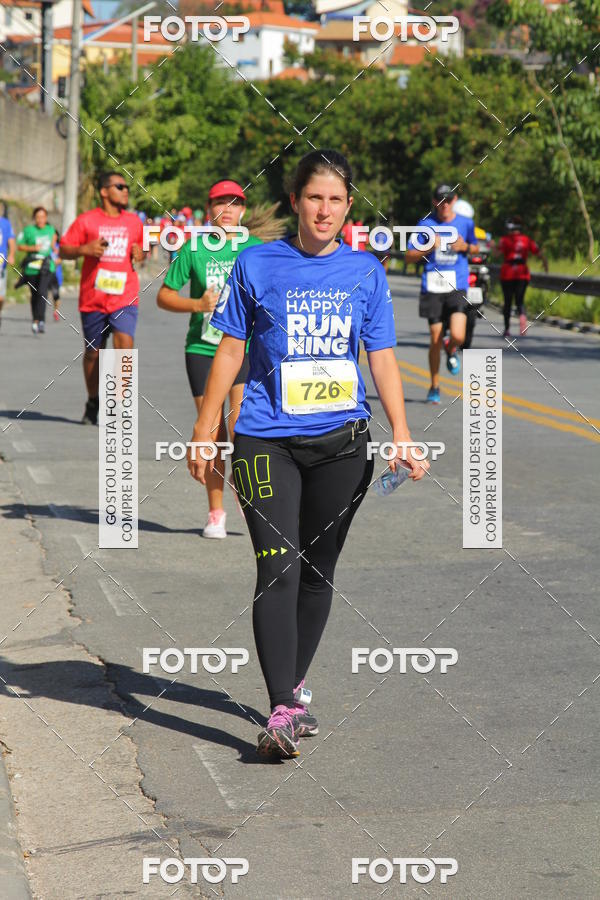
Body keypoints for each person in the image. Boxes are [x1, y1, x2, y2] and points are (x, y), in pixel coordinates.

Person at [187, 149, 428, 759]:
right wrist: (205, 425)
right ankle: (282, 708)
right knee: (278, 566)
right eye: (314, 197)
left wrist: (401, 430)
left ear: (349, 208)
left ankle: (291, 686)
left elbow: (380, 358)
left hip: (342, 445)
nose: (324, 210)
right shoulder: (256, 262)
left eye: (336, 200)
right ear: (295, 201)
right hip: (266, 440)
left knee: (318, 570)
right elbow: (231, 351)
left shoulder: (365, 272)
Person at [157, 180, 262, 539]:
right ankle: (216, 512)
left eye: (235, 204)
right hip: (203, 349)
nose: (228, 210)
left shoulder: (256, 250)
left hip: (245, 350)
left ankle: (248, 495)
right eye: (221, 203)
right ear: (209, 209)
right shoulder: (194, 248)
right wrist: (196, 304)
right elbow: (165, 296)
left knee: (245, 429)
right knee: (213, 433)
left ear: (243, 211)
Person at [60, 172, 144, 425]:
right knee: (93, 353)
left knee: (125, 344)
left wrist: (140, 254)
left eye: (127, 187)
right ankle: (93, 400)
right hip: (93, 298)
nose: (126, 190)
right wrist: (84, 249)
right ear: (105, 191)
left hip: (124, 296)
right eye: (120, 186)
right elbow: (64, 249)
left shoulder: (133, 223)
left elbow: (139, 251)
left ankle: (119, 404)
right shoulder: (86, 221)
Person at [405, 183, 478, 404]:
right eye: (440, 200)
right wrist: (428, 247)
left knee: (459, 335)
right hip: (433, 286)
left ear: (454, 200)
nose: (444, 205)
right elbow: (409, 256)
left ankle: (452, 346)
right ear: (434, 202)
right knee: (435, 338)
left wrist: (464, 246)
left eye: (448, 200)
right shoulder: (425, 225)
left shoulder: (465, 223)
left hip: (457, 285)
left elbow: (476, 248)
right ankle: (435, 386)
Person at [498, 216, 548, 338]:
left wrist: (492, 246)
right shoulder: (527, 240)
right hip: (522, 273)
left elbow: (497, 253)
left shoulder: (504, 240)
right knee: (520, 300)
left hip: (508, 272)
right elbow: (539, 253)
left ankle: (507, 329)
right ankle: (522, 320)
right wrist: (545, 264)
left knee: (508, 301)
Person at [17, 207, 58, 334]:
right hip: (32, 267)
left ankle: (41, 321)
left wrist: (56, 250)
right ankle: (35, 319)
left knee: (42, 292)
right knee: (35, 295)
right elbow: (19, 245)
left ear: (46, 218)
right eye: (38, 217)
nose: (41, 220)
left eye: (43, 217)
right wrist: (32, 247)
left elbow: (53, 245)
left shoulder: (51, 230)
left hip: (46, 266)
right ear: (34, 218)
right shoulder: (28, 230)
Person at [0, 205, 16, 331]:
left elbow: (11, 241)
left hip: (1, 263)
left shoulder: (5, 223)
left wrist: (11, 255)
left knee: (0, 297)